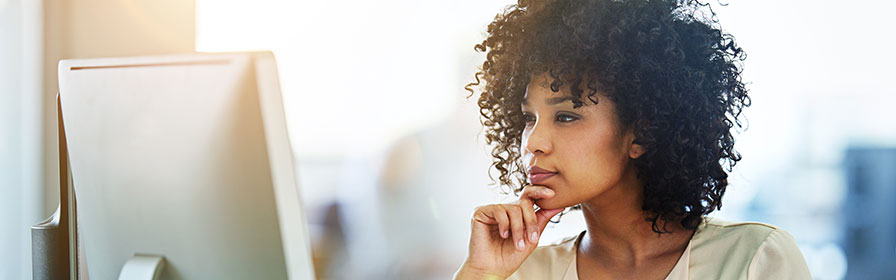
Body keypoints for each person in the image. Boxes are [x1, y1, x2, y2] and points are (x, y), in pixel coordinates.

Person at [453, 0, 812, 279]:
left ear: (640, 132)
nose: (533, 142)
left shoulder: (753, 260)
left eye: (566, 116)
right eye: (529, 118)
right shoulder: (522, 274)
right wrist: (480, 275)